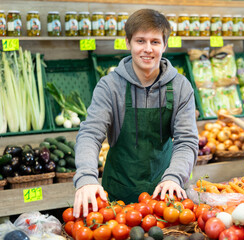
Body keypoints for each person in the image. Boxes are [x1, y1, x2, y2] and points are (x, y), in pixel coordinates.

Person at [73, 9, 198, 218]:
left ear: (165, 45)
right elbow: (90, 134)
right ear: (128, 43)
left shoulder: (180, 87)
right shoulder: (109, 86)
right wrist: (86, 177)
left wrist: (174, 177)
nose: (148, 49)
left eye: (155, 42)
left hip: (164, 191)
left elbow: (187, 141)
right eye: (140, 41)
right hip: (116, 193)